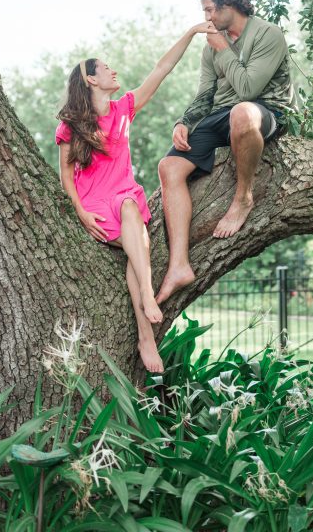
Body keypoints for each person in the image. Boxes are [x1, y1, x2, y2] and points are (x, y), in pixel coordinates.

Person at [55, 25, 209, 373]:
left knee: (130, 213)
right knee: (137, 239)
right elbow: (65, 175)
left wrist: (191, 32)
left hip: (125, 196)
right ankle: (147, 319)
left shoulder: (124, 108)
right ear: (91, 80)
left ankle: (145, 323)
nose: (113, 71)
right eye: (106, 68)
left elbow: (161, 68)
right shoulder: (71, 124)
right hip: (94, 203)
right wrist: (81, 213)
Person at [156, 0, 295, 305]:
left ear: (228, 3)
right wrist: (184, 121)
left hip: (267, 109)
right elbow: (206, 94)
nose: (207, 18)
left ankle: (243, 197)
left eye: (210, 9)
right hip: (222, 115)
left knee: (241, 113)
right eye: (204, 11)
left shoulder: (268, 34)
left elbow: (248, 89)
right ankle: (179, 265)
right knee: (168, 167)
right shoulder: (211, 47)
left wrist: (223, 49)